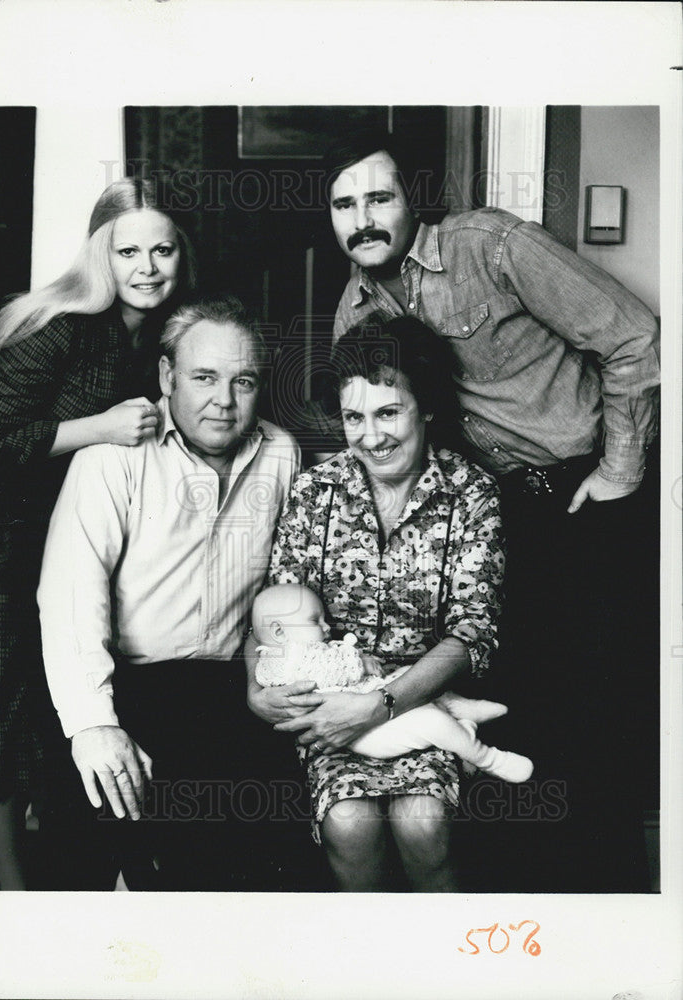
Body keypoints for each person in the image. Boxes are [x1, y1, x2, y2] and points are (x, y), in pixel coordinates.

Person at [324, 130, 661, 891]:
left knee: (599, 724)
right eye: (345, 205)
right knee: (518, 721)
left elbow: (637, 337)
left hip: (587, 498)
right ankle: (527, 923)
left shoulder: (493, 247)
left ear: (413, 199)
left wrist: (619, 472)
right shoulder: (353, 313)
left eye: (379, 197)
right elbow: (381, 440)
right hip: (499, 522)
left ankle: (612, 929)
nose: (363, 218)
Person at [37, 297, 302, 891]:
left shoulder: (282, 453)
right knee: (84, 842)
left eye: (243, 381)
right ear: (166, 377)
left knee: (251, 866)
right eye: (204, 378)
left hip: (228, 691)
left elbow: (282, 592)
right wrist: (93, 724)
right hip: (124, 683)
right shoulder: (111, 456)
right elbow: (70, 597)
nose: (223, 401)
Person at [0, 176, 196, 889]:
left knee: (56, 713)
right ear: (99, 253)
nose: (146, 267)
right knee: (3, 722)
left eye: (162, 249)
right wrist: (96, 428)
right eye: (127, 250)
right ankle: (6, 897)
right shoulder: (60, 326)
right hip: (5, 545)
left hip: (76, 546)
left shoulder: (157, 336)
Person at [246, 315, 505, 891]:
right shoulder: (317, 491)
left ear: (427, 408)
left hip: (426, 704)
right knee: (349, 822)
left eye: (389, 412)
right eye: (354, 417)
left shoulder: (470, 494)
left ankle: (434, 969)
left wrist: (384, 704)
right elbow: (272, 609)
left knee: (422, 821)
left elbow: (471, 632)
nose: (371, 436)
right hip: (330, 706)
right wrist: (255, 688)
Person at [252, 583, 532, 780]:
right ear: (278, 631)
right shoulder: (288, 657)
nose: (327, 627)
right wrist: (358, 661)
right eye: (315, 620)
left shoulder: (290, 651)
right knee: (430, 723)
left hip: (369, 697)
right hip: (358, 732)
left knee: (410, 676)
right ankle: (487, 758)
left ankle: (460, 710)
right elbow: (330, 673)